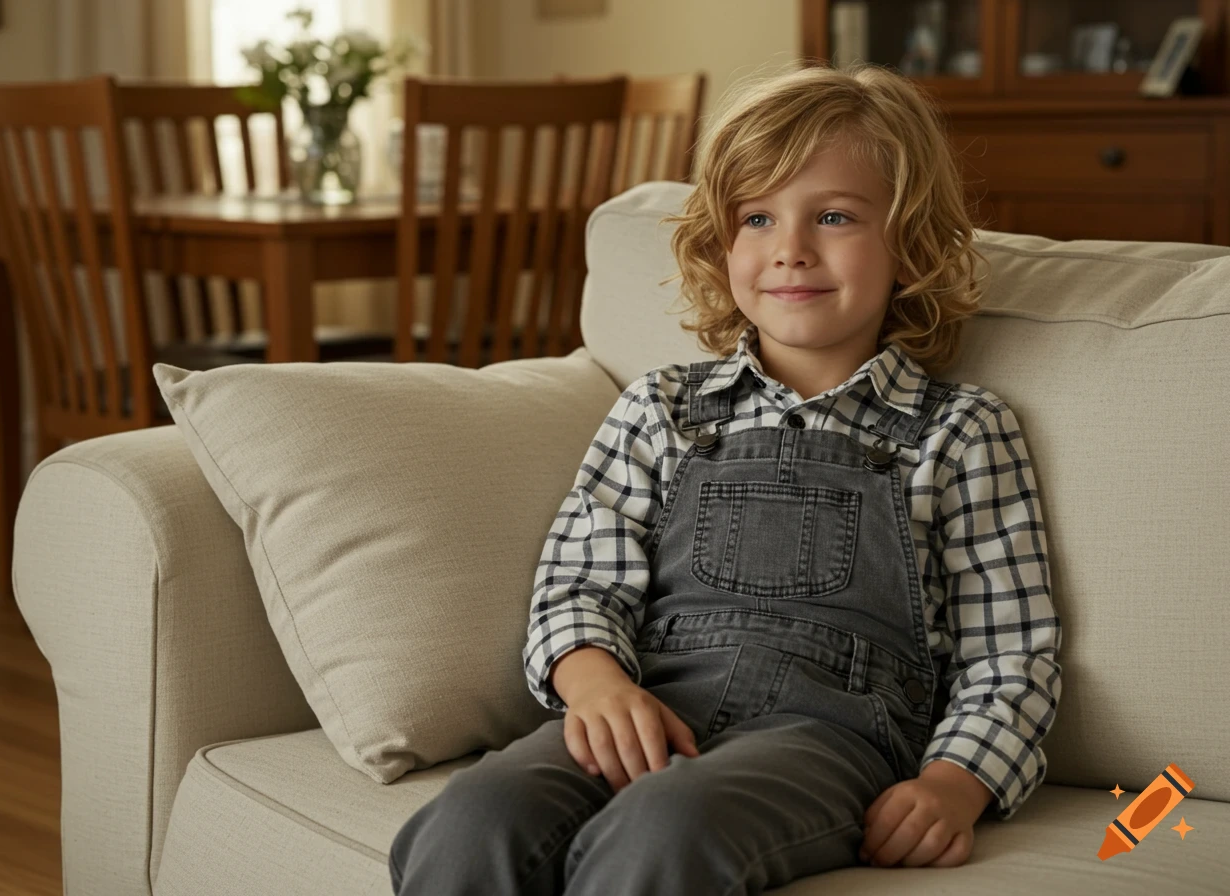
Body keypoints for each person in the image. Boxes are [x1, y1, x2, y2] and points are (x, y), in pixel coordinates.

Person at [388, 61, 1063, 895]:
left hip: (829, 737)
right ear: (722, 242)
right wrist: (595, 682)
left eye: (835, 216)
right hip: (652, 702)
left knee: (665, 832)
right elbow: (576, 580)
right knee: (471, 818)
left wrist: (955, 785)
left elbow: (1011, 657)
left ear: (910, 243)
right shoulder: (662, 408)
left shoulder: (962, 431)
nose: (790, 249)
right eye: (757, 217)